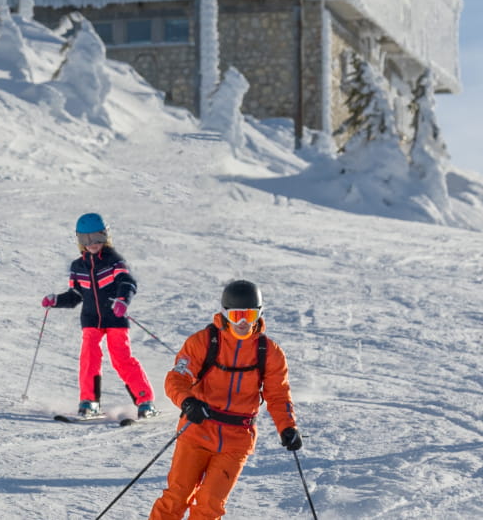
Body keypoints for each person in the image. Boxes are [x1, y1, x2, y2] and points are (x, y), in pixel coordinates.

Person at [148, 280, 301, 520]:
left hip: (236, 439)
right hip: (197, 430)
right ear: (225, 314)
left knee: (210, 505)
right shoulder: (203, 342)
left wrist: (287, 426)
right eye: (237, 315)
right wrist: (188, 402)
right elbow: (177, 378)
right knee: (176, 497)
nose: (243, 323)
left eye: (249, 316)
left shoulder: (269, 351)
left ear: (259, 314)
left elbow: (278, 394)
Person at [41, 212, 157, 418]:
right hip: (91, 320)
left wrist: (123, 300)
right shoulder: (78, 267)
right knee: (89, 357)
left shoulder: (114, 261)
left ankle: (145, 400)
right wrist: (56, 300)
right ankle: (89, 401)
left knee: (121, 359)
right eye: (86, 239)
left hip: (115, 318)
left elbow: (127, 283)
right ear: (79, 240)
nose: (92, 243)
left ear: (105, 236)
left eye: (97, 237)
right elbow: (75, 295)